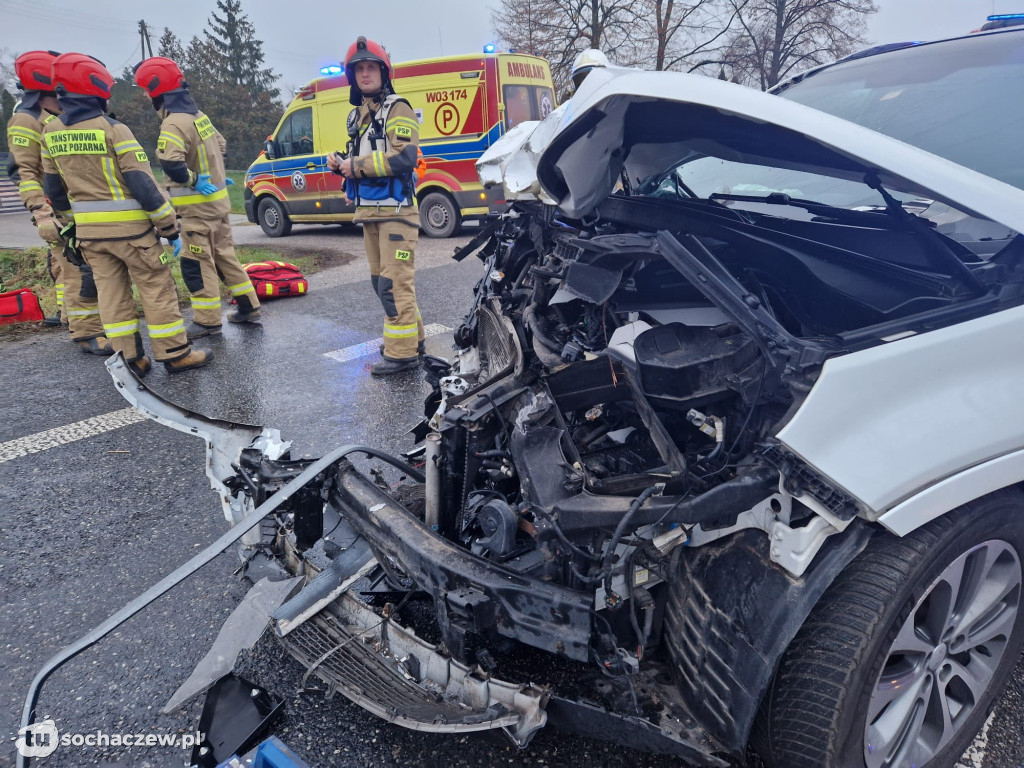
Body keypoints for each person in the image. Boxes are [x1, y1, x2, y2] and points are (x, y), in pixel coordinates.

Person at [40, 52, 212, 374]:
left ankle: (130, 359)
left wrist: (71, 226)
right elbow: (142, 184)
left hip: (91, 238)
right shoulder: (114, 130)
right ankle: (175, 354)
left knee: (111, 297)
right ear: (96, 90)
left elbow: (54, 190)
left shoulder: (50, 132)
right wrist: (169, 228)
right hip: (134, 235)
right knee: (156, 290)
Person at [132, 56, 261, 337]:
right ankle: (249, 307)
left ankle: (207, 321)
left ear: (157, 91)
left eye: (145, 90)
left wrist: (193, 179)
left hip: (195, 213)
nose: (144, 95)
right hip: (218, 206)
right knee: (226, 258)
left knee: (196, 266)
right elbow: (221, 145)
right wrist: (211, 172)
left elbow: (172, 164)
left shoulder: (173, 124)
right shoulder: (199, 116)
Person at [326, 36, 424, 376]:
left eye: (371, 67)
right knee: (382, 283)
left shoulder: (398, 108)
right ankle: (413, 340)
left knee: (393, 286)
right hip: (370, 212)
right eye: (359, 69)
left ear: (384, 72)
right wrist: (341, 165)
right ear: (352, 77)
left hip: (397, 214)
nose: (365, 74)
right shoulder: (358, 116)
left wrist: (356, 166)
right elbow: (367, 157)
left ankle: (401, 354)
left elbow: (405, 158)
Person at [6, 49, 112, 355]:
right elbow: (24, 172)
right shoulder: (26, 120)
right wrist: (42, 212)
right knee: (77, 270)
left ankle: (78, 320)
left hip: (74, 207)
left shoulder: (54, 117)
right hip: (55, 211)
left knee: (81, 268)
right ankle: (87, 333)